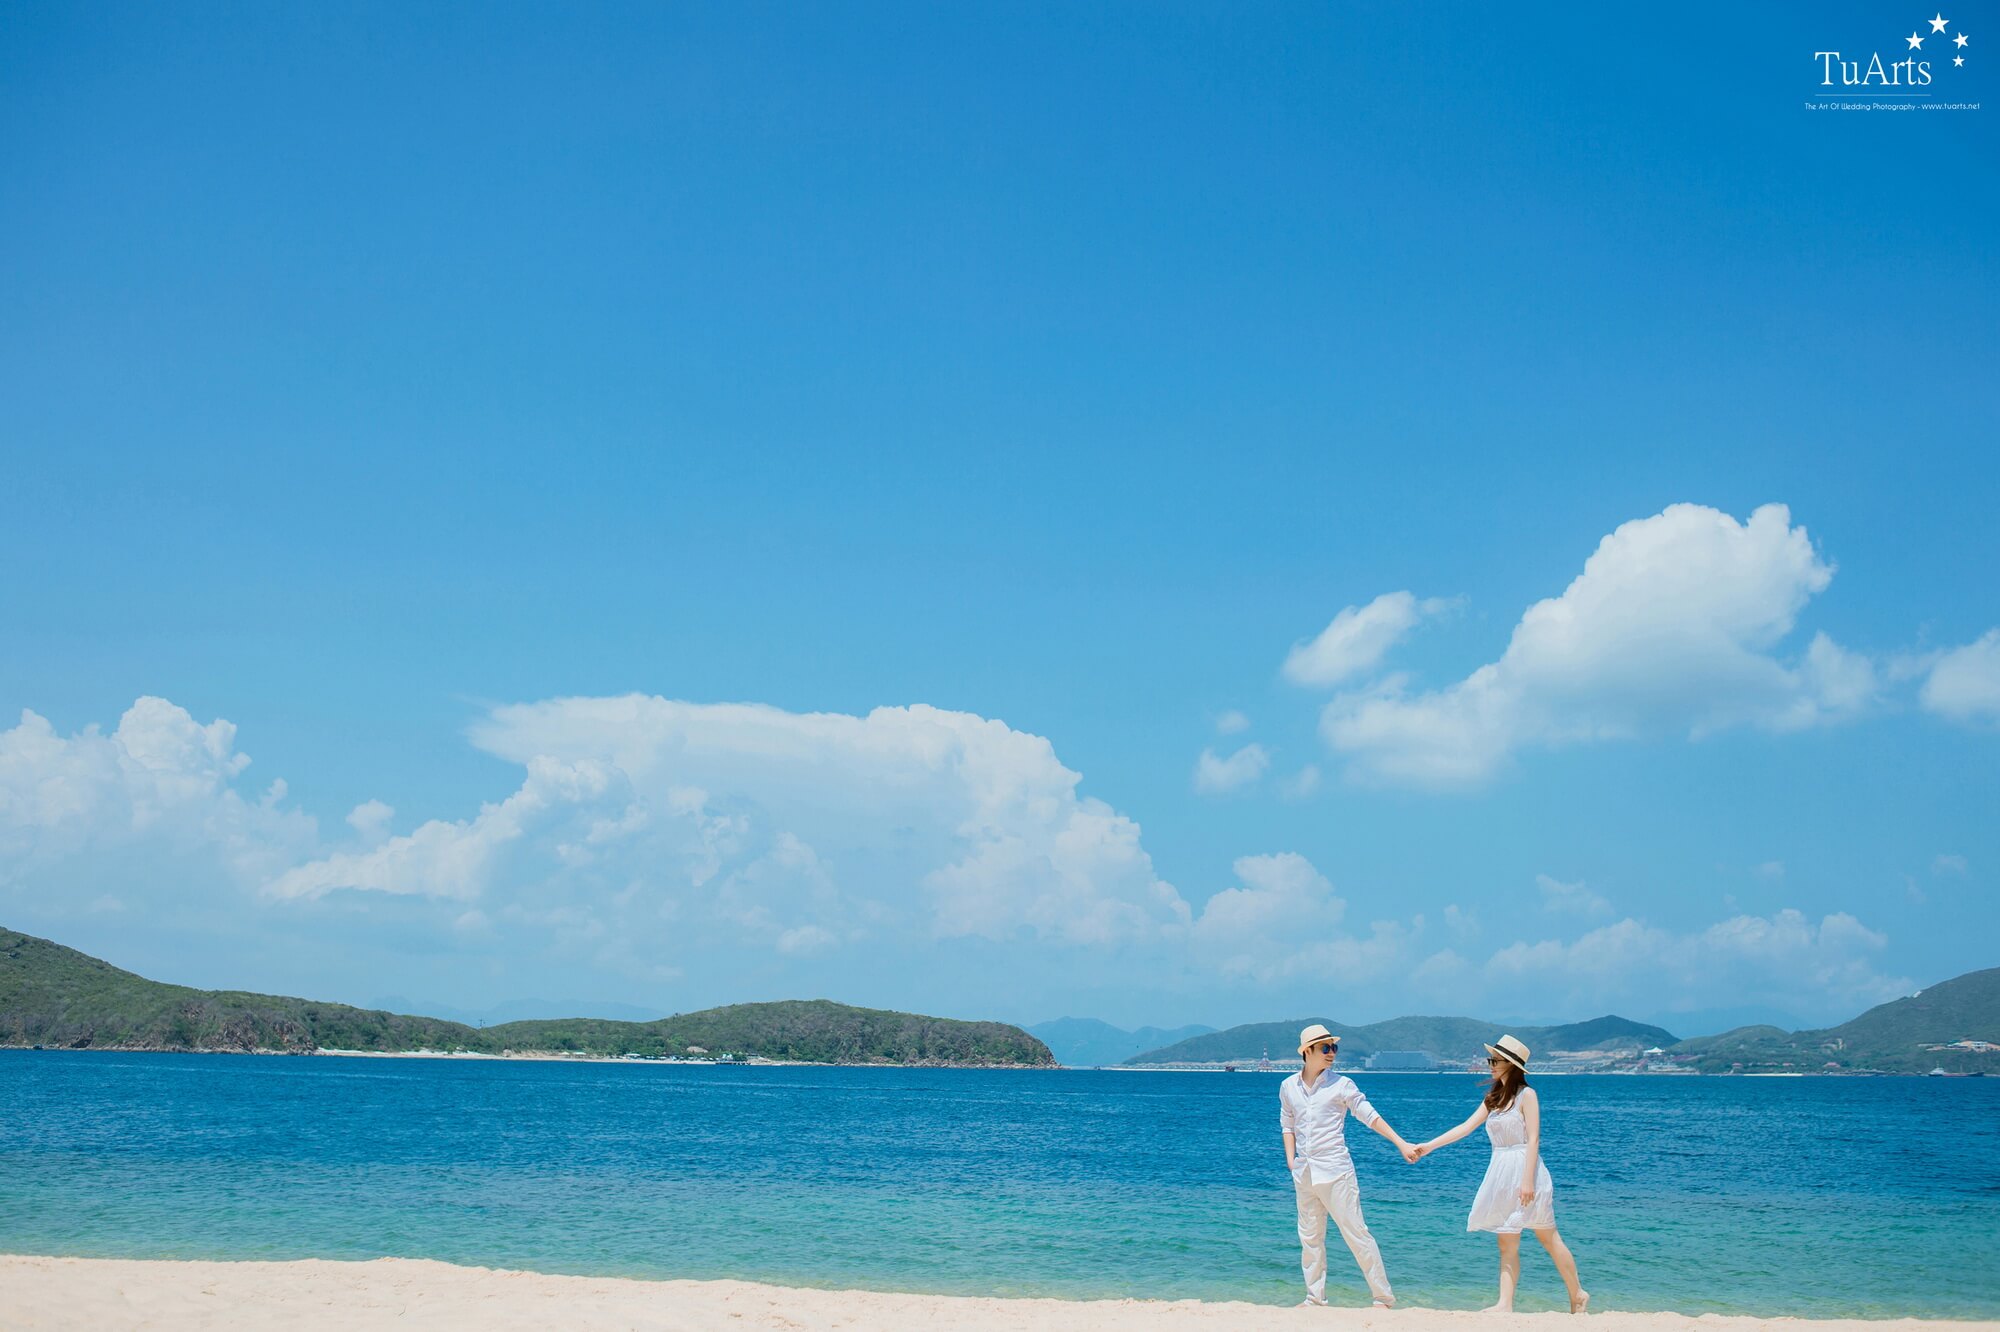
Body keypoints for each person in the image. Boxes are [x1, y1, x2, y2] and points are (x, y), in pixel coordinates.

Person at [1413, 1035, 1590, 1314]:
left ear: (1511, 1064)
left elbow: (1533, 1139)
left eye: (1495, 1060)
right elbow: (1465, 1127)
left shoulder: (1527, 1095)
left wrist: (1528, 1180)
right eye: (1491, 1060)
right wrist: (1428, 1147)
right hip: (1501, 1174)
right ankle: (1504, 1304)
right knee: (1506, 1241)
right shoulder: (1493, 1098)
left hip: (1526, 1172)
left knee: (1548, 1238)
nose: (1490, 1065)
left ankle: (1577, 1293)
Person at [1280, 1023, 1420, 1308]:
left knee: (1356, 1233)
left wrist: (1400, 1142)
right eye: (1325, 1048)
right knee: (1310, 1238)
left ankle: (1383, 1297)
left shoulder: (1342, 1084)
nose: (1332, 1053)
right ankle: (1314, 1298)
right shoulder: (1287, 1087)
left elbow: (1369, 1115)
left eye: (1334, 1047)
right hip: (1304, 1173)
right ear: (1307, 1051)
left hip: (1336, 1171)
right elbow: (1287, 1123)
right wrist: (1291, 1160)